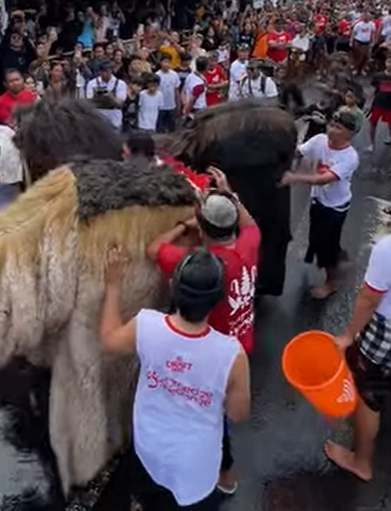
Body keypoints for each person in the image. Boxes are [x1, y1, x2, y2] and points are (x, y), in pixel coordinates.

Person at [99, 246, 251, 511]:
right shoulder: (232, 354)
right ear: (218, 300)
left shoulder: (146, 325)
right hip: (197, 469)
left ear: (172, 287)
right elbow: (238, 414)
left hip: (149, 452)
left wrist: (113, 286)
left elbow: (109, 340)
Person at [146, 166, 259, 492]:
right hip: (241, 344)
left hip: (211, 358)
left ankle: (224, 473)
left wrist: (183, 225)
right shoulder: (250, 243)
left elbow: (153, 249)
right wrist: (228, 195)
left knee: (210, 419)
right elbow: (249, 222)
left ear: (203, 227)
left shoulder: (202, 266)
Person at [327, 233, 391, 482]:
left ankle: (361, 461)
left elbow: (369, 299)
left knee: (368, 394)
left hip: (386, 331)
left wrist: (349, 334)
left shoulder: (386, 249)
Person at [281, 110, 359, 299]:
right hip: (318, 201)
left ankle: (332, 283)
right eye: (331, 125)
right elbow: (299, 151)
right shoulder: (319, 140)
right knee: (318, 238)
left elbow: (324, 179)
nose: (331, 129)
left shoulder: (350, 157)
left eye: (338, 128)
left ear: (349, 134)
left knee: (326, 246)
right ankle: (338, 256)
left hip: (335, 208)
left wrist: (294, 177)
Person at [86, 59, 128, 131]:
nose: (104, 74)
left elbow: (120, 102)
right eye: (102, 71)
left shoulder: (120, 84)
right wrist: (97, 96)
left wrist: (110, 96)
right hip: (98, 116)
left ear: (111, 70)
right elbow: (89, 101)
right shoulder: (92, 83)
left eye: (107, 71)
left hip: (114, 117)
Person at [368, 56, 391, 153]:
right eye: (389, 61)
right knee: (373, 123)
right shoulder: (378, 76)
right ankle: (371, 144)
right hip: (378, 103)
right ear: (385, 63)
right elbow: (373, 89)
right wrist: (369, 102)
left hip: (390, 105)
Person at [156, 54, 180, 133]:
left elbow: (176, 90)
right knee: (160, 128)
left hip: (171, 105)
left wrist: (178, 104)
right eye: (165, 62)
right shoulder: (157, 75)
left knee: (172, 128)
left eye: (169, 62)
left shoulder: (174, 75)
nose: (167, 64)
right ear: (160, 63)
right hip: (160, 106)